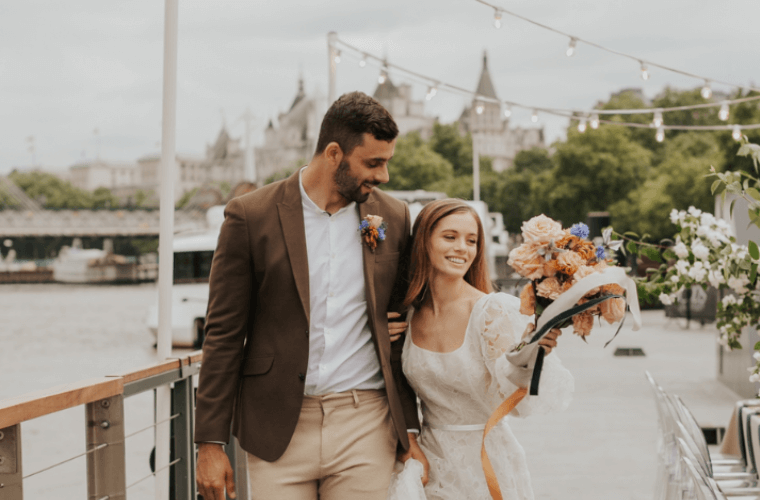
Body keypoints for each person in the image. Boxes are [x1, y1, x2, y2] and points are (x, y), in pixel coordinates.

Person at [194, 91, 427, 500]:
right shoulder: (250, 215)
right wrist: (210, 444)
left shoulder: (393, 216)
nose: (384, 176)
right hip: (277, 427)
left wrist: (409, 431)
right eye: (374, 163)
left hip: (366, 423)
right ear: (334, 153)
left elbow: (400, 331)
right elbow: (223, 335)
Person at [387, 199, 574, 500]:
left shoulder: (492, 311)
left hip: (486, 462)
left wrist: (531, 356)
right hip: (427, 462)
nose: (462, 247)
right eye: (450, 237)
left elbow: (517, 396)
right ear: (423, 242)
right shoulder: (405, 315)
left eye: (471, 240)